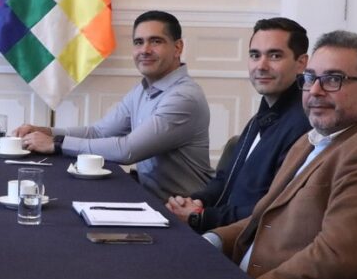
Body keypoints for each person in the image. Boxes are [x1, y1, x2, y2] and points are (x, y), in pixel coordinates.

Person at [206, 30, 357, 279]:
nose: (315, 91)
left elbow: (337, 257)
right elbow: (264, 218)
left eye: (333, 79)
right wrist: (214, 239)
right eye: (309, 78)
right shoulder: (310, 139)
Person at [13, 10, 212, 200]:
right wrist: (47, 132)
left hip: (180, 211)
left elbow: (127, 150)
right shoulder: (143, 89)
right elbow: (99, 132)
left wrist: (56, 144)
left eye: (156, 41)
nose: (145, 50)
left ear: (178, 48)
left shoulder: (183, 97)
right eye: (138, 42)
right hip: (148, 196)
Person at [165, 18, 311, 231]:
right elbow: (226, 178)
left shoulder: (304, 126)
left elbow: (273, 210)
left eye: (275, 56)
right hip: (221, 229)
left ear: (301, 63)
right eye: (255, 55)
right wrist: (197, 201)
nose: (261, 66)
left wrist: (201, 217)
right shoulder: (262, 117)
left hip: (245, 242)